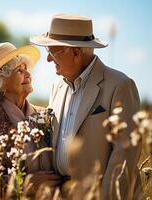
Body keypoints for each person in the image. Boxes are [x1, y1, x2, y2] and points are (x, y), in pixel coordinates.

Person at [30, 14, 142, 199]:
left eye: (52, 51)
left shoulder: (120, 85)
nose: (48, 59)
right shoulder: (56, 87)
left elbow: (124, 156)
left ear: (75, 52)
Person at [0, 42, 56, 198]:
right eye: (19, 70)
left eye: (26, 68)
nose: (28, 74)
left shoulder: (44, 116)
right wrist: (23, 184)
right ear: (1, 82)